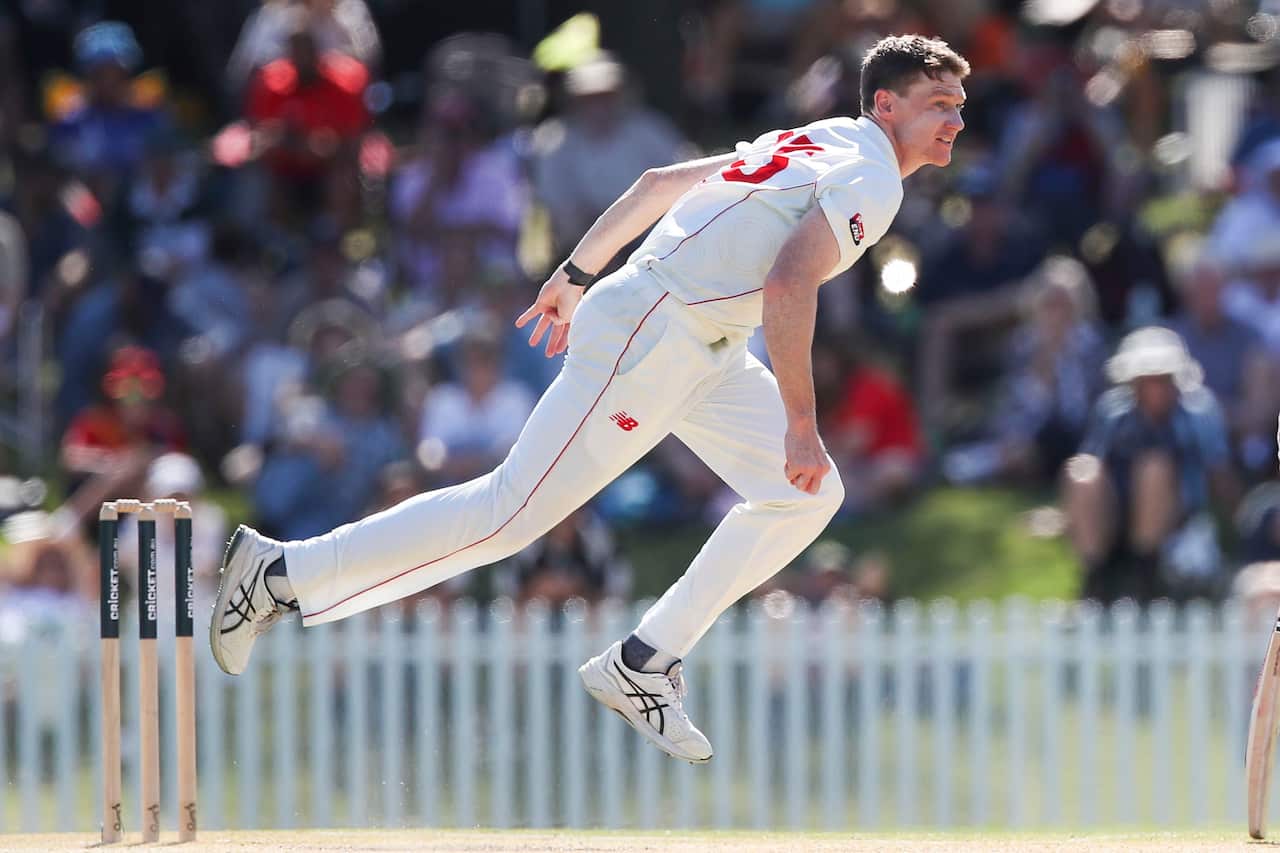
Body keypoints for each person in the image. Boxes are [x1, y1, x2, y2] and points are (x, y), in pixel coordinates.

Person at [210, 34, 970, 764]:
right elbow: (789, 283)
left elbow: (658, 185)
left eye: (961, 105)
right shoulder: (869, 174)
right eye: (939, 102)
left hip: (694, 339)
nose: (957, 120)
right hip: (658, 332)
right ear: (886, 106)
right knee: (507, 516)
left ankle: (645, 659)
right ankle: (279, 572)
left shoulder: (820, 138)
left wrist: (577, 273)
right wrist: (802, 422)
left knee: (807, 494)